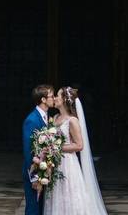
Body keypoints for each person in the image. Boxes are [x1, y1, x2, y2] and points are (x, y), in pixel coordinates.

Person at [45, 87, 108, 215]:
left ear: (64, 100)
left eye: (57, 95)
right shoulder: (55, 117)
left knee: (69, 193)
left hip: (67, 163)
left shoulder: (72, 121)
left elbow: (79, 145)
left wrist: (56, 147)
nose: (55, 98)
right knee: (56, 194)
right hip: (55, 162)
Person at [23, 84, 55, 215]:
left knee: (41, 208)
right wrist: (35, 177)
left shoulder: (47, 117)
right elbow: (28, 150)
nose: (54, 99)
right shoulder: (32, 120)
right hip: (35, 173)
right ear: (43, 99)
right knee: (33, 208)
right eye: (51, 96)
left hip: (45, 171)